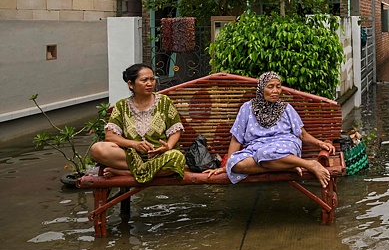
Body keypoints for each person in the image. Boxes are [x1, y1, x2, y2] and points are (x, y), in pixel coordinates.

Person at [204, 71, 336, 187]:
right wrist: (226, 166)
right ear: (261, 89)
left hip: (284, 146)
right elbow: (236, 139)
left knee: (265, 154)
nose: (275, 91)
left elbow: (301, 134)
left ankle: (310, 164)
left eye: (278, 87)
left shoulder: (286, 108)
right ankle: (287, 167)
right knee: (235, 163)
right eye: (270, 87)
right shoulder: (247, 108)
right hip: (256, 149)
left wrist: (320, 143)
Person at [90, 63, 186, 183]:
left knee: (177, 158)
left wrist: (168, 147)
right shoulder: (122, 106)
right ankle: (143, 169)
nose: (150, 83)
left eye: (152, 79)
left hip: (160, 156)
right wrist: (134, 145)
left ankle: (126, 172)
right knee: (97, 149)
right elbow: (110, 136)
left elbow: (175, 130)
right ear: (131, 84)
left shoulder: (164, 102)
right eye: (144, 80)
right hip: (131, 156)